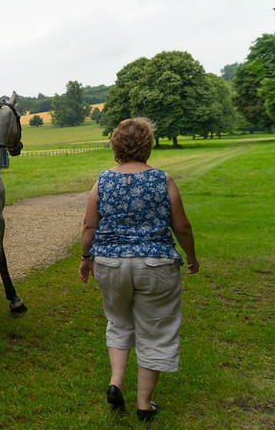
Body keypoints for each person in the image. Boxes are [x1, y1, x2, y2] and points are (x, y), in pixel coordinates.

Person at [79, 117, 199, 423]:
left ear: (116, 145)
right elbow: (181, 226)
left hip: (110, 264)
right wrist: (191, 257)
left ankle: (116, 382)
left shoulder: (103, 180)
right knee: (155, 329)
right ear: (148, 145)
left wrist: (85, 257)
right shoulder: (163, 180)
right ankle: (144, 404)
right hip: (155, 263)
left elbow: (90, 224)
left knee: (118, 322)